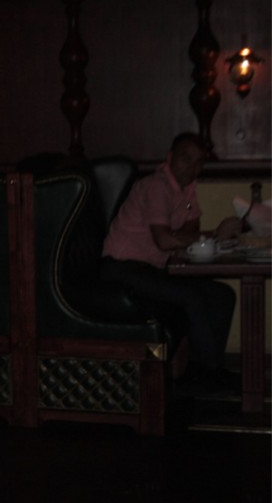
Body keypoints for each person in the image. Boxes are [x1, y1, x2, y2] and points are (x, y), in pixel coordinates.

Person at [100, 132, 241, 390]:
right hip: (120, 269)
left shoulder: (187, 190)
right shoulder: (156, 186)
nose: (192, 168)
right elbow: (165, 240)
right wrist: (214, 234)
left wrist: (200, 235)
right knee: (192, 298)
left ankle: (202, 369)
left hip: (151, 269)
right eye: (186, 159)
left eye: (198, 163)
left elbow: (190, 230)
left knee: (222, 295)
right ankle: (208, 373)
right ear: (170, 157)